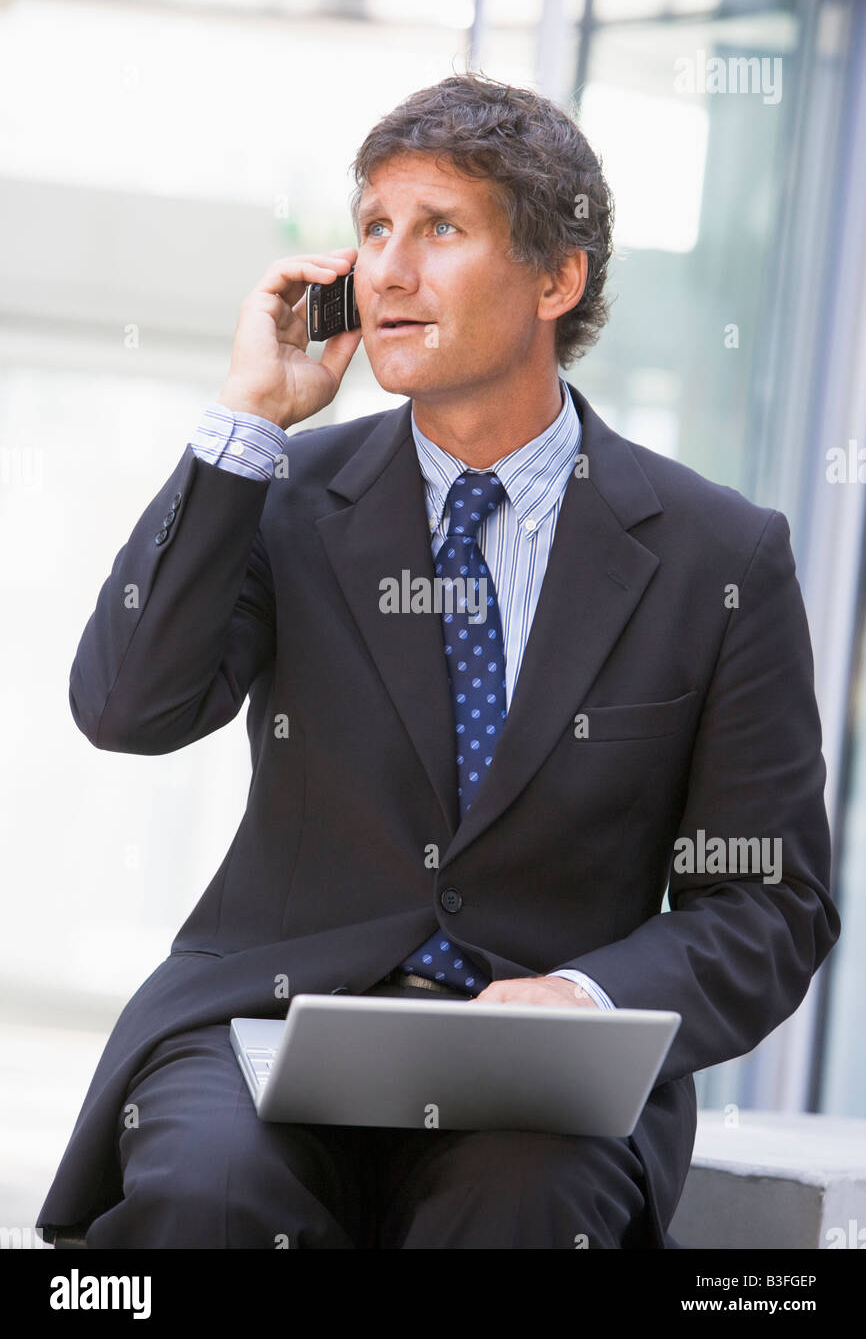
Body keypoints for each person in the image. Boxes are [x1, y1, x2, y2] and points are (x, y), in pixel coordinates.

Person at [37, 71, 840, 1249]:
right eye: (372, 230)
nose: (386, 270)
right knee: (211, 1200)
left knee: (522, 1211)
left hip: (537, 1077)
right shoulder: (285, 494)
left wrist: (584, 996)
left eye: (439, 230)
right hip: (267, 1020)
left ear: (554, 279)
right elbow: (124, 705)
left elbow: (768, 897)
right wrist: (247, 424)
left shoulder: (717, 553)